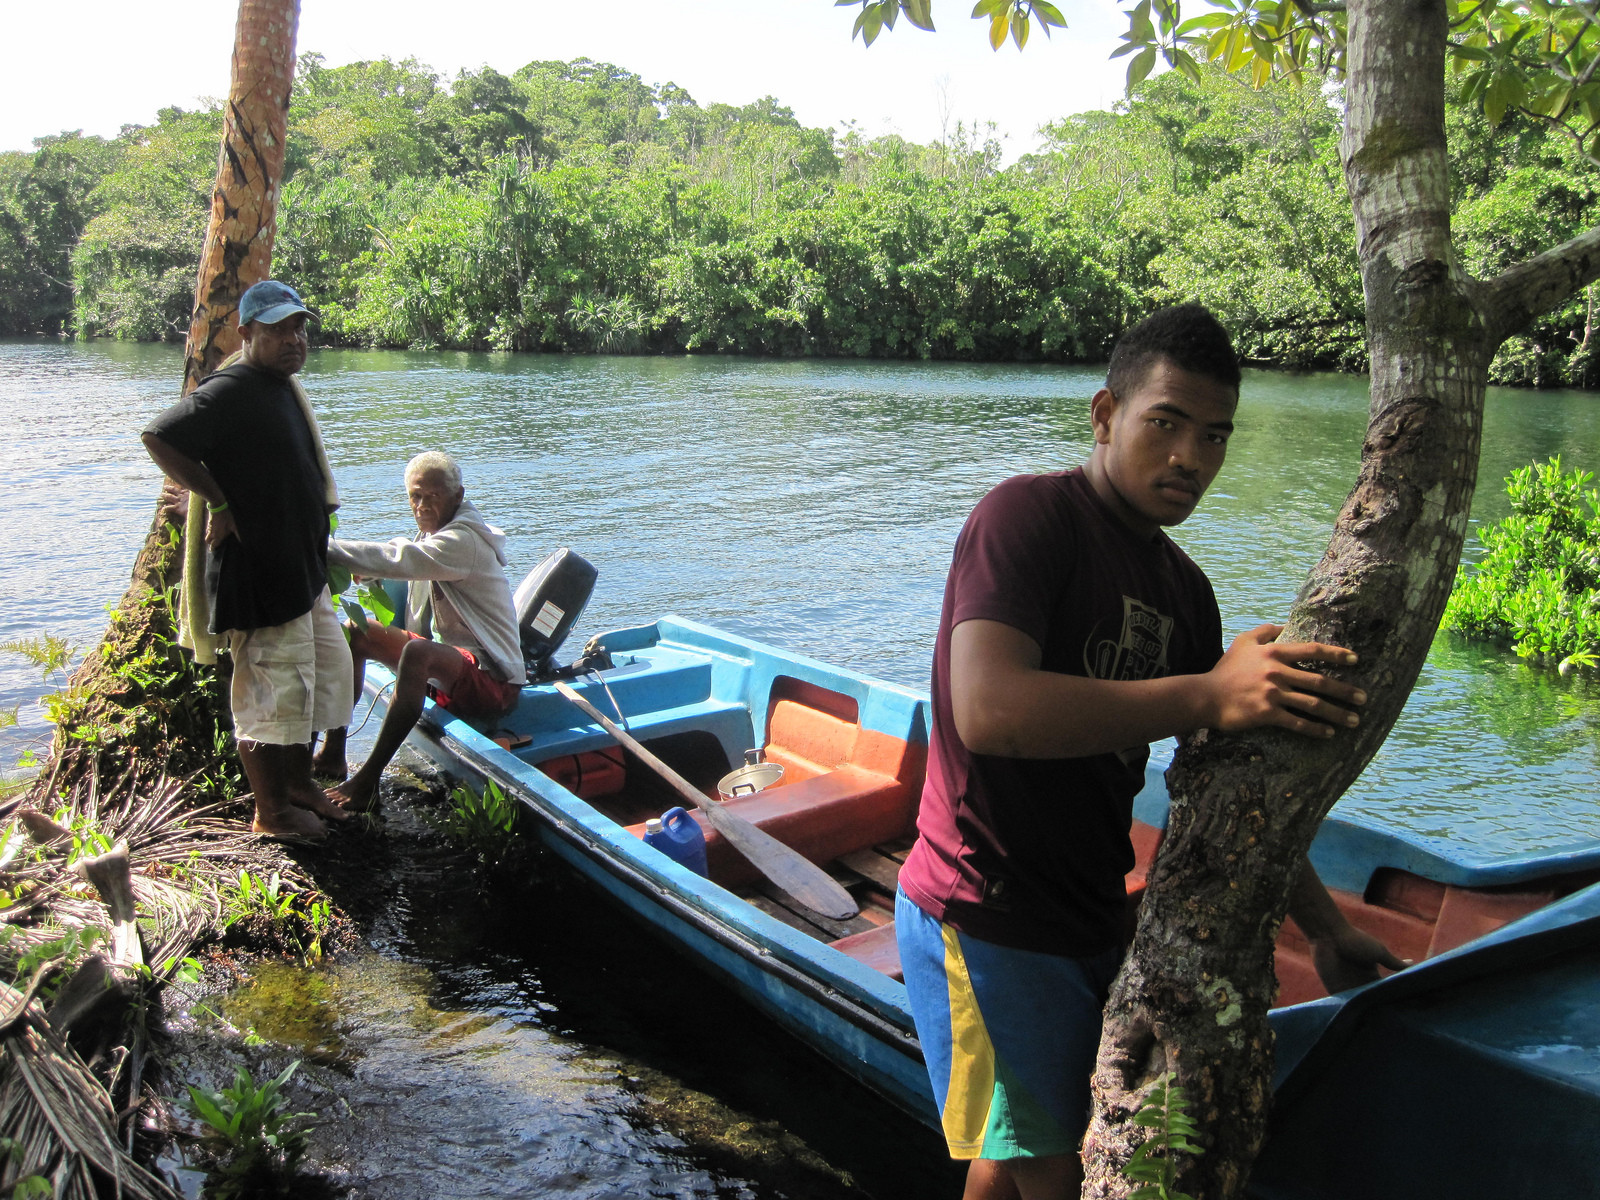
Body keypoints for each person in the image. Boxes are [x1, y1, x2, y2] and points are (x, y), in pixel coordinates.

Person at [894, 305, 1406, 1200]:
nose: (1190, 457)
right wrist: (1208, 692)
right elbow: (989, 710)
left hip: (1092, 913)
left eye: (1214, 435)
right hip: (985, 912)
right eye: (1165, 422)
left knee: (1010, 1149)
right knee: (1058, 1168)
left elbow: (1220, 790)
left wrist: (1325, 930)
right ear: (1105, 415)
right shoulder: (1026, 519)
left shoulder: (1185, 592)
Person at [141, 279, 353, 842]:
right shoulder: (231, 388)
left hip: (300, 571)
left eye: (298, 328)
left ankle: (300, 784)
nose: (293, 340)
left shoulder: (279, 386)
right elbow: (160, 436)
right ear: (247, 333)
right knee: (269, 695)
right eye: (278, 330)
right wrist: (216, 500)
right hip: (259, 576)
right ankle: (272, 812)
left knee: (319, 678)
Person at [312, 452, 526, 811]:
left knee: (417, 653)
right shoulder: (434, 535)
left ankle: (367, 781)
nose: (422, 505)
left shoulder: (465, 541)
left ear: (457, 496)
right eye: (416, 496)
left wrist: (320, 547)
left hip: (494, 680)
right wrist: (370, 571)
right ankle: (333, 753)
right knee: (356, 632)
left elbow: (404, 558)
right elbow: (407, 555)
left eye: (433, 496)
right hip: (452, 664)